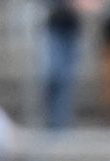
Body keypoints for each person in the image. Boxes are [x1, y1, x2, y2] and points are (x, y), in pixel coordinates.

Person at [41, 0, 89, 131]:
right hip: (54, 26)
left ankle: (60, 124)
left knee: (65, 79)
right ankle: (54, 123)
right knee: (54, 75)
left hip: (72, 28)